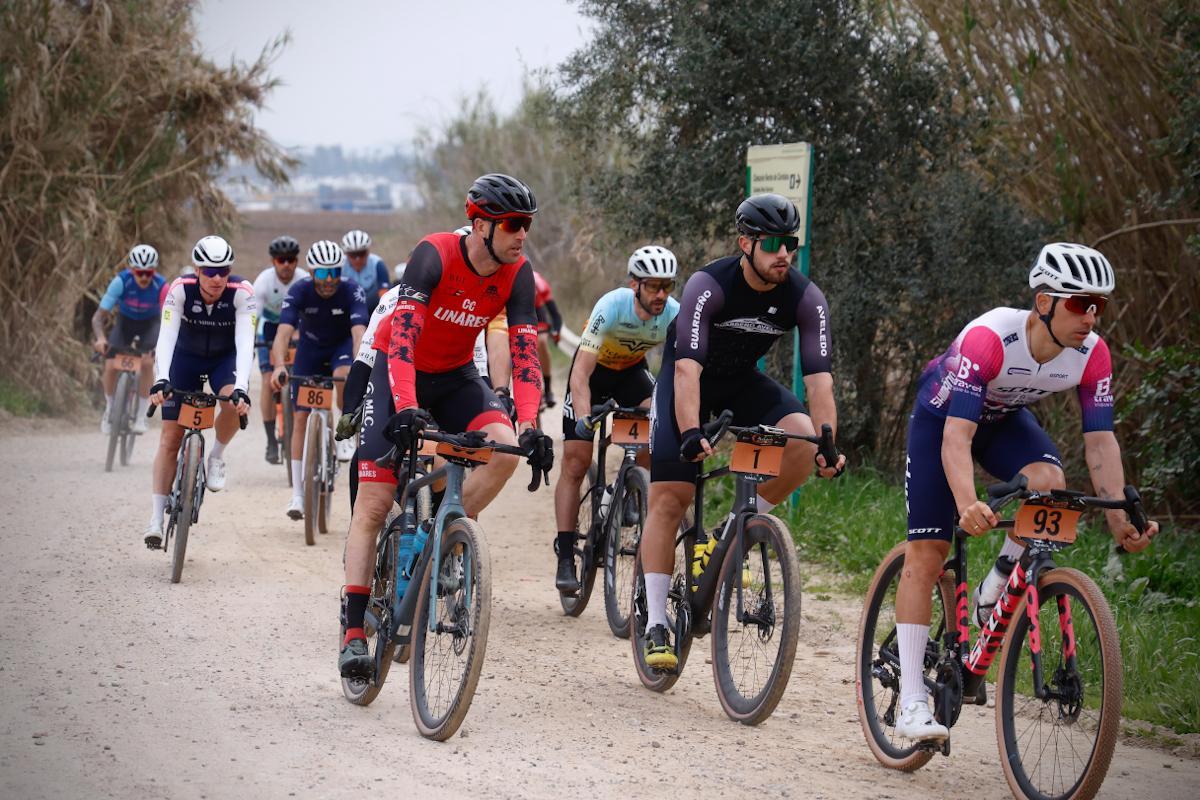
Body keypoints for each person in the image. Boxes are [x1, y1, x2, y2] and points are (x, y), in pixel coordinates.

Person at [891, 241, 1160, 742]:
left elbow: (1100, 442)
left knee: (1050, 484)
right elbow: (956, 439)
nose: (1090, 317)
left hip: (1002, 422)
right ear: (1044, 303)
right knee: (928, 554)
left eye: (1099, 306)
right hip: (942, 422)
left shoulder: (1092, 354)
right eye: (1080, 303)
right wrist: (967, 503)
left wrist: (1120, 522)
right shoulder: (990, 339)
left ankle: (995, 586)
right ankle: (910, 702)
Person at [337, 173, 553, 678]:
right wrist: (407, 407)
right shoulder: (433, 254)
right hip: (398, 370)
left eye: (527, 224)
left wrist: (530, 424)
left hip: (456, 375)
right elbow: (403, 338)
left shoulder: (518, 273)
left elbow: (524, 354)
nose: (522, 234)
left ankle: (440, 535)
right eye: (513, 224)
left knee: (502, 449)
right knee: (374, 502)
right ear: (480, 225)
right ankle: (352, 633)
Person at [639, 193, 846, 671]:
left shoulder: (806, 298)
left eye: (790, 243)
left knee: (801, 438)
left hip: (739, 383)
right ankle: (655, 622)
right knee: (671, 496)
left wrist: (828, 441)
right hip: (686, 382)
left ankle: (729, 533)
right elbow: (687, 370)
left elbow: (820, 382)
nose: (783, 254)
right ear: (745, 243)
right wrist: (690, 431)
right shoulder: (708, 285)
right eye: (772, 243)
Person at [553, 245, 680, 593]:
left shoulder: (673, 313)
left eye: (667, 286)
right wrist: (583, 419)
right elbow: (580, 373)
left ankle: (628, 489)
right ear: (634, 284)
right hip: (593, 375)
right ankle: (566, 555)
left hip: (630, 374)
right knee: (576, 462)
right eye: (653, 286)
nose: (661, 294)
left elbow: (680, 372)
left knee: (657, 423)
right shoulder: (611, 306)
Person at [144, 235, 256, 547]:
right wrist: (161, 378)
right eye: (209, 271)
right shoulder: (180, 289)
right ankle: (155, 519)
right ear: (197, 270)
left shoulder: (242, 292)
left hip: (224, 360)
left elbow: (245, 342)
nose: (217, 278)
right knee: (170, 438)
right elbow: (166, 336)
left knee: (233, 403)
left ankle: (216, 456)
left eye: (224, 271)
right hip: (185, 359)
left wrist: (242, 388)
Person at [269, 240, 368, 519]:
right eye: (322, 273)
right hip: (310, 350)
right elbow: (283, 333)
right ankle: (298, 496)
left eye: (334, 272)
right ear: (312, 272)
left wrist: (361, 365)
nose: (329, 280)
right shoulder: (299, 290)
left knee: (343, 375)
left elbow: (359, 334)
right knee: (300, 418)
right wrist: (279, 366)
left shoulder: (352, 290)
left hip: (341, 347)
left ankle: (344, 425)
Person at [92, 244, 166, 434]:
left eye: (148, 273)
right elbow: (98, 317)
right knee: (110, 364)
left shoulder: (161, 286)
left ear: (154, 271)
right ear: (132, 270)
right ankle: (110, 410)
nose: (144, 277)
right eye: (139, 272)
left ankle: (141, 416)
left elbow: (169, 320)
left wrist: (163, 345)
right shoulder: (121, 282)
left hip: (150, 324)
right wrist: (100, 339)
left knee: (147, 363)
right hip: (125, 323)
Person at [252, 236, 309, 464]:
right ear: (273, 261)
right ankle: (271, 441)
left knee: (302, 377)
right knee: (268, 381)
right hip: (268, 330)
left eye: (290, 260)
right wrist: (250, 343)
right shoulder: (263, 281)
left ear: (296, 261)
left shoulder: (304, 279)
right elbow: (254, 318)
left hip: (297, 328)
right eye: (280, 260)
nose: (286, 264)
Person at [533, 270, 563, 408]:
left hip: (537, 313)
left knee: (542, 342)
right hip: (515, 312)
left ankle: (548, 389)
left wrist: (556, 331)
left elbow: (555, 314)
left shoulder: (540, 284)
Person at [340, 229, 390, 313]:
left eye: (361, 254)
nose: (357, 259)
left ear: (367, 252)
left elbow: (384, 294)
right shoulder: (340, 265)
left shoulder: (377, 263)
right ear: (346, 254)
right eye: (353, 255)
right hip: (347, 306)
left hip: (372, 307)